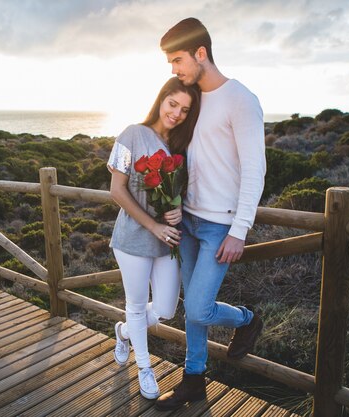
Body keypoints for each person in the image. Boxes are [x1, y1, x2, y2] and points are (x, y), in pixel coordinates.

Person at [154, 18, 267, 411]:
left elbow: (255, 169)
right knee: (192, 310)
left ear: (201, 53)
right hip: (187, 221)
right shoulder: (193, 100)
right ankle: (193, 380)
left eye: (178, 60)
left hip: (221, 224)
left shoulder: (241, 98)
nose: (174, 70)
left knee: (200, 307)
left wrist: (240, 229)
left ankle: (248, 319)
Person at [107, 76, 201, 400]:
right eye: (172, 104)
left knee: (166, 308)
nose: (176, 113)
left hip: (167, 240)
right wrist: (153, 225)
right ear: (161, 100)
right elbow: (116, 190)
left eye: (184, 110)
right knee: (135, 305)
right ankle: (144, 368)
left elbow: (178, 194)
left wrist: (177, 211)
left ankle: (123, 332)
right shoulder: (132, 133)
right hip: (133, 238)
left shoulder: (179, 148)